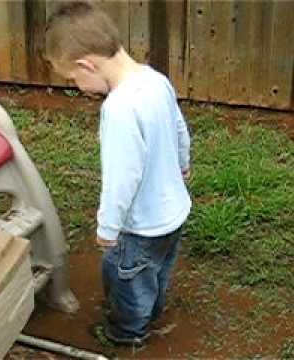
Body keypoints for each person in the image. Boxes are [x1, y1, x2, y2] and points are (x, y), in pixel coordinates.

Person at [45, 1, 192, 345]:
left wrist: (108, 227)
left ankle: (127, 334)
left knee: (127, 281)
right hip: (174, 213)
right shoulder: (156, 80)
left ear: (87, 64)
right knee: (156, 272)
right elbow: (180, 129)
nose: (78, 86)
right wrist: (183, 164)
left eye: (73, 78)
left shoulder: (120, 108)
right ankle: (152, 313)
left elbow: (122, 178)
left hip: (139, 227)